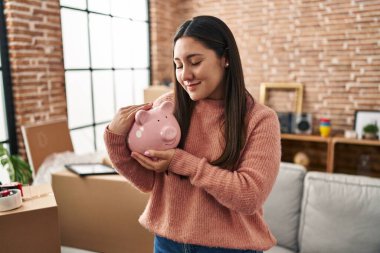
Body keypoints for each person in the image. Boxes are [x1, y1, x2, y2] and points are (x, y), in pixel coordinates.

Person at [104, 15, 281, 253]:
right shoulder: (168, 106)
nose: (185, 75)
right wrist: (114, 139)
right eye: (178, 65)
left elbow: (249, 196)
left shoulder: (259, 119)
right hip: (168, 243)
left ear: (225, 59)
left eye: (195, 61)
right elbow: (148, 182)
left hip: (230, 248)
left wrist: (180, 162)